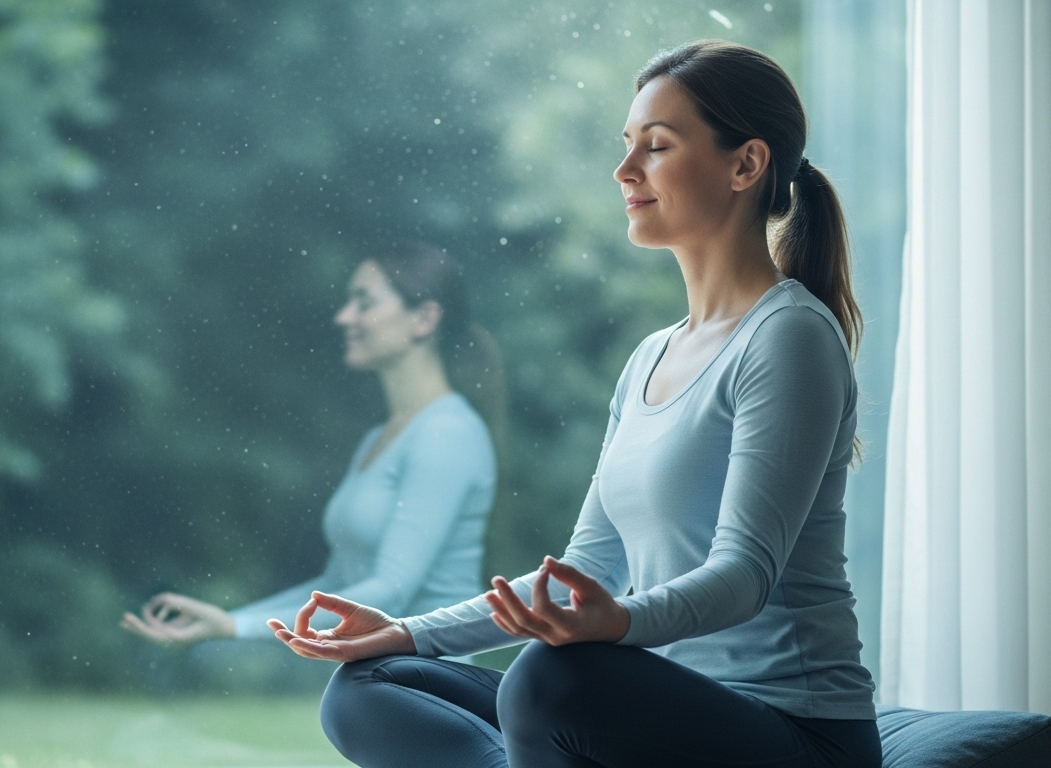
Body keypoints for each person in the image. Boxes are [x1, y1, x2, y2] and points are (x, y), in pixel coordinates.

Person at [268, 40, 881, 768]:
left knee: (544, 682)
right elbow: (584, 569)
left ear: (745, 165)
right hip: (660, 708)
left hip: (794, 732)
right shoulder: (650, 356)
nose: (624, 171)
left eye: (655, 147)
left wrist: (617, 622)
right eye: (627, 147)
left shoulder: (789, 337)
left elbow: (744, 576)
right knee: (368, 686)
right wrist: (406, 631)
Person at [121, 242, 503, 688]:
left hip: (436, 685)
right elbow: (338, 582)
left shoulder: (447, 432)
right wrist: (229, 621)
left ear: (425, 319)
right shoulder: (376, 441)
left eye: (365, 302)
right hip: (386, 678)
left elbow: (391, 590)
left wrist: (238, 628)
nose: (345, 317)